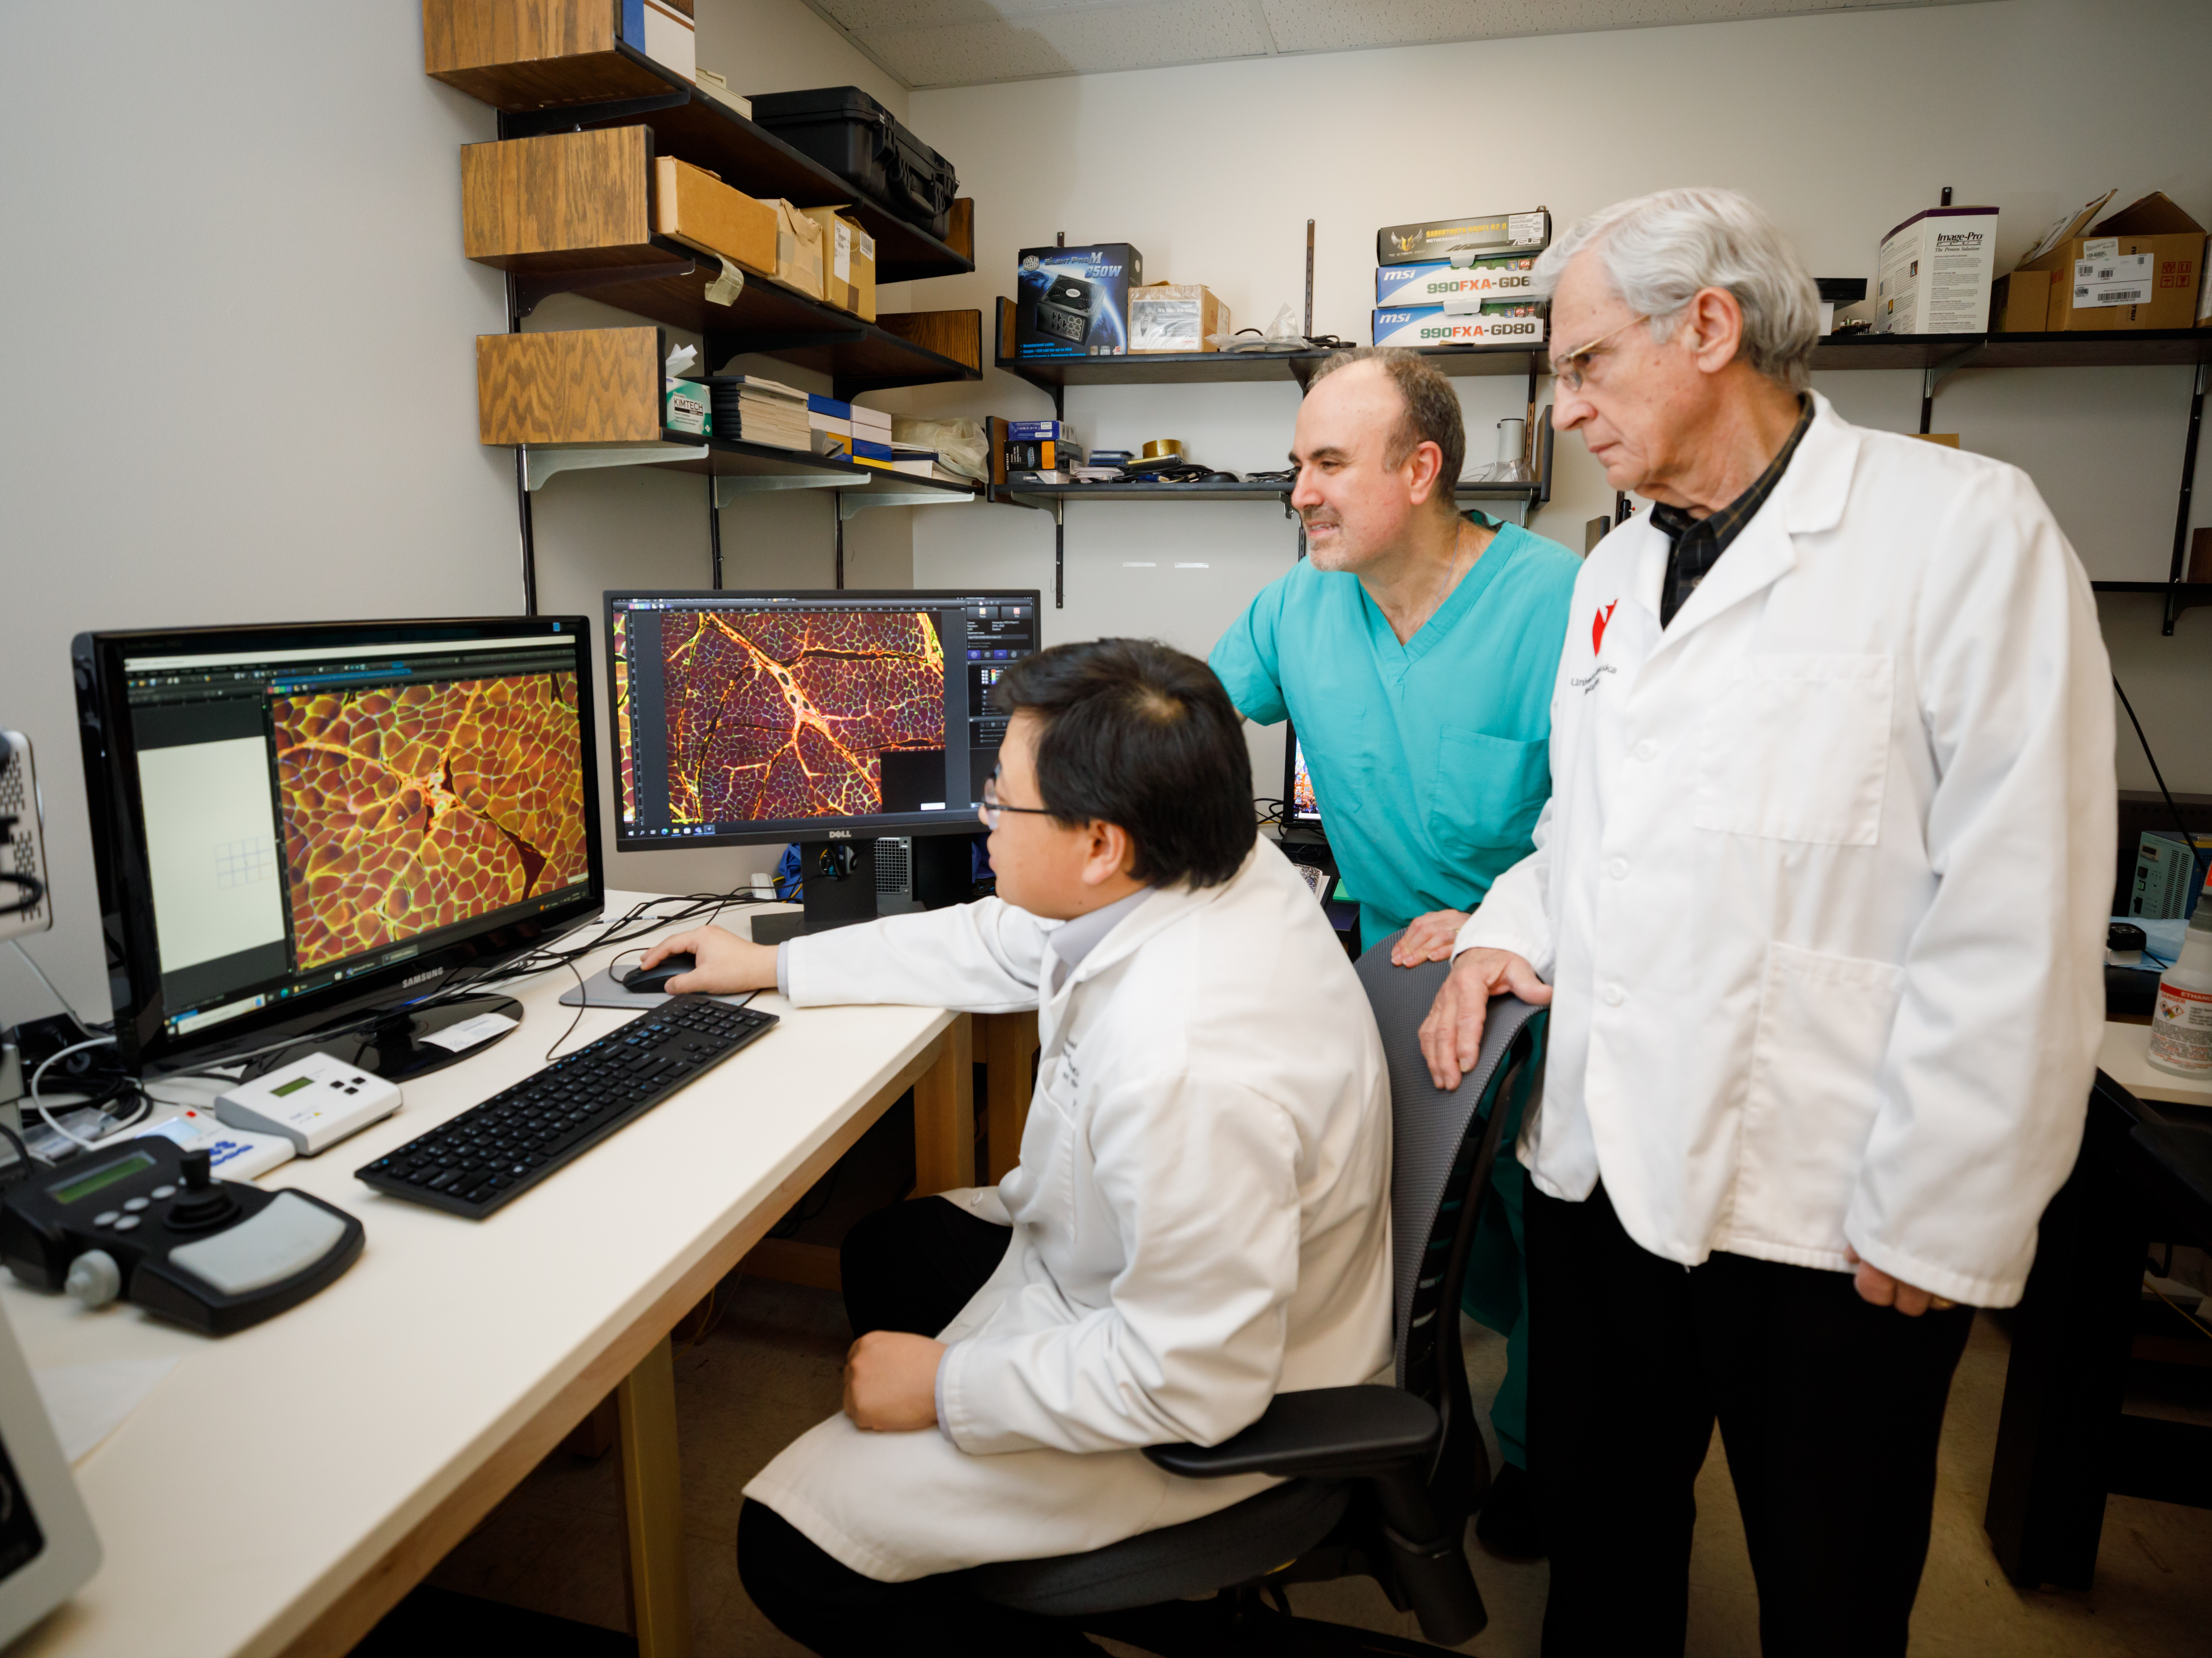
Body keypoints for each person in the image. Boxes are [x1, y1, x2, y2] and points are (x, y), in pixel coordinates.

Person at [1420, 187, 2115, 1658]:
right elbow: (1583, 824)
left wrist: (1950, 1198)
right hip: (1602, 1173)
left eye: (1585, 363)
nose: (1565, 408)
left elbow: (2026, 900)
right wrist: (1507, 922)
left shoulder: (1961, 533)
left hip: (1829, 1200)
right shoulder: (1612, 570)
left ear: (1710, 328)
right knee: (1605, 1563)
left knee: (1829, 1583)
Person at [637, 638, 1393, 1657]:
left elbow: (1194, 1381)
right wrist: (773, 963)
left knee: (791, 1549)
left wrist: (946, 1389)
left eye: (1003, 800)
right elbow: (1002, 939)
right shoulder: (1201, 858)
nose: (983, 818)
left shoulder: (1192, 1059)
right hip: (1140, 1280)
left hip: (1204, 1402)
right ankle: (977, 1555)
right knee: (887, 1252)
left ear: (1098, 846)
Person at [1207, 347, 1581, 1558]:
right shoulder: (1300, 604)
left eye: (1326, 464)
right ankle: (1431, 1419)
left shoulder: (1563, 604)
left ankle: (1537, 1456)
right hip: (1383, 973)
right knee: (1414, 1227)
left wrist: (1497, 920)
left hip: (1542, 976)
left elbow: (1626, 824)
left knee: (1546, 1243)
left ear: (1421, 470)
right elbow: (1192, 733)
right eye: (1295, 466)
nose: (1299, 493)